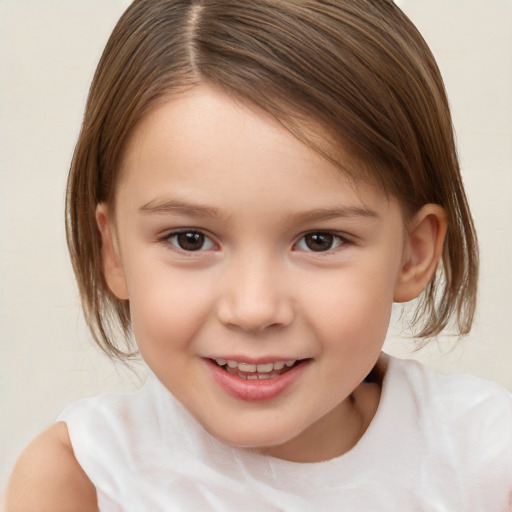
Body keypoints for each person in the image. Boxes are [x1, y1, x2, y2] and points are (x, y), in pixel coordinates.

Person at [6, 0, 512, 510]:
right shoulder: (84, 479)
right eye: (190, 239)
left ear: (412, 253)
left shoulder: (488, 463)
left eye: (319, 240)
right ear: (112, 251)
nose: (253, 309)